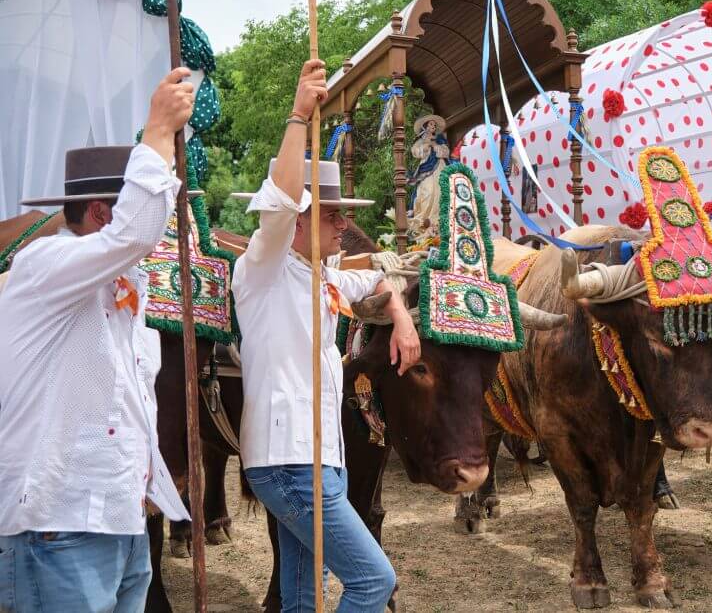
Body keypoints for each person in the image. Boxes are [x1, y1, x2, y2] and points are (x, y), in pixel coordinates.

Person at [0, 69, 195, 611]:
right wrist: (156, 132)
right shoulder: (45, 263)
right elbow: (137, 232)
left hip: (119, 521)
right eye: (136, 202)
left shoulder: (123, 291)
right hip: (56, 526)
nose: (160, 227)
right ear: (102, 213)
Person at [230, 59, 420, 612]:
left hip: (315, 459)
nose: (344, 225)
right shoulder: (263, 266)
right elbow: (282, 200)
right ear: (299, 222)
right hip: (291, 462)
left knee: (300, 596)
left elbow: (382, 279)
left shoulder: (327, 276)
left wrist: (403, 318)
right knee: (372, 582)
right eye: (333, 215)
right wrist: (298, 115)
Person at [406, 114, 452, 243]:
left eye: (434, 125)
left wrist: (436, 146)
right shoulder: (421, 140)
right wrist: (426, 145)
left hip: (440, 168)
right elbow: (416, 152)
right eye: (430, 124)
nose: (433, 126)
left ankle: (438, 222)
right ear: (425, 126)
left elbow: (445, 152)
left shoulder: (440, 139)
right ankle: (423, 221)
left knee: (441, 191)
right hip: (426, 169)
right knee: (427, 192)